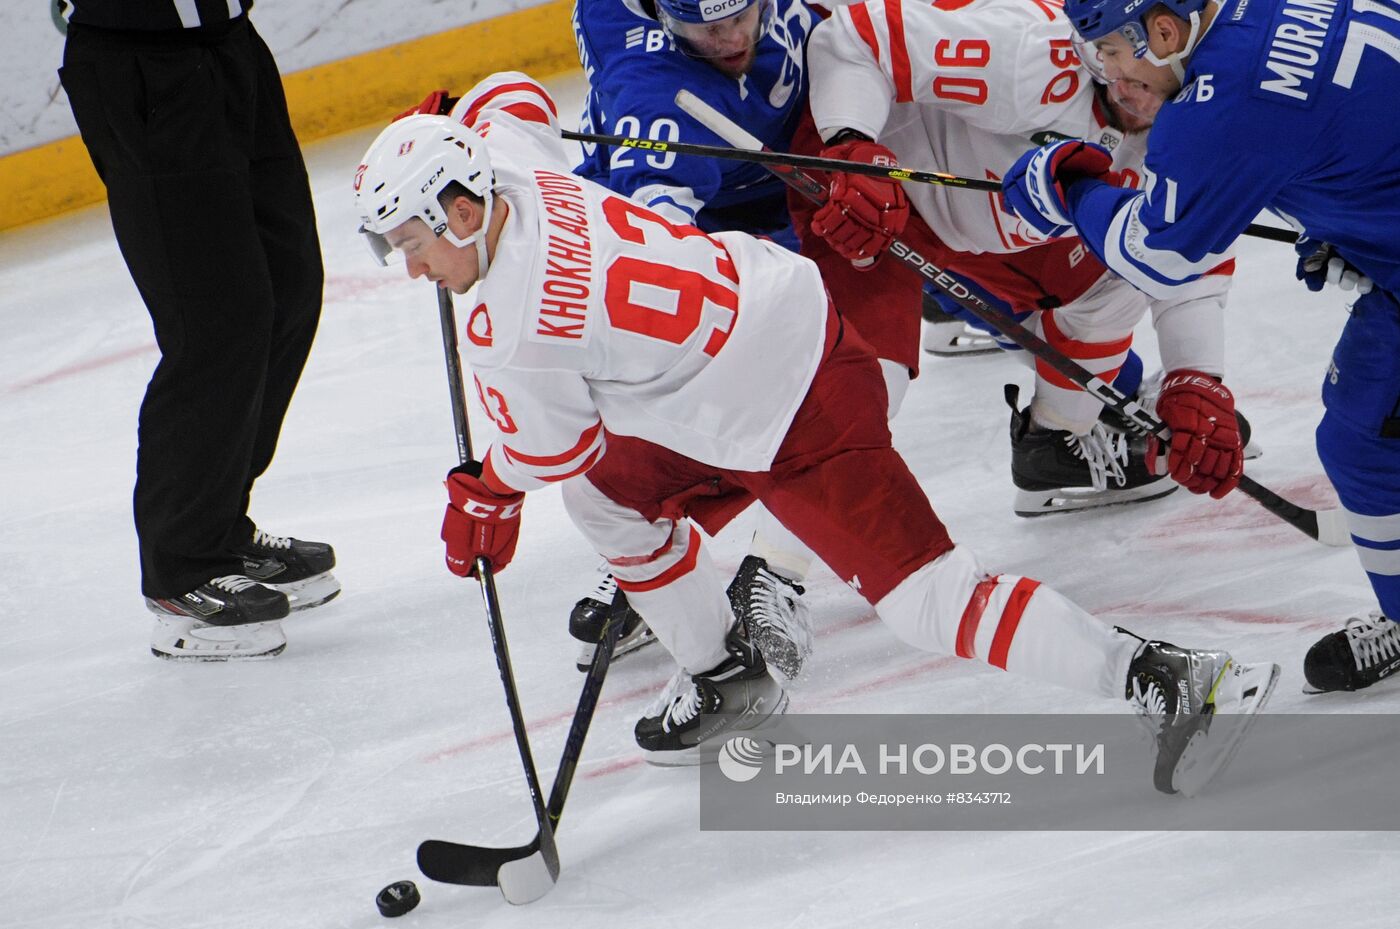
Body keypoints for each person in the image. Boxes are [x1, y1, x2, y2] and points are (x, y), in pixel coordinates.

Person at [352, 71, 1278, 794]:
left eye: (412, 239)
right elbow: (512, 97)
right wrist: (447, 118)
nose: (410, 265)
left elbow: (553, 451)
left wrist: (486, 487)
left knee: (926, 599)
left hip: (790, 414)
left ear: (464, 210)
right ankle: (728, 677)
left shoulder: (510, 327)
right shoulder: (514, 163)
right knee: (607, 502)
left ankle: (1172, 682)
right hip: (780, 325)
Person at [1001, 0, 1400, 692]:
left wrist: (1066, 187)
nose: (1113, 80)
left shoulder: (1223, 100)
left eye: (1113, 54)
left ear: (1162, 30)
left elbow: (1154, 254)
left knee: (1365, 435)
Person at [795, 0, 1244, 518]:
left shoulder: (1210, 115)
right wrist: (852, 146)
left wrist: (1197, 378)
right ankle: (776, 565)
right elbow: (855, 37)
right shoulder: (1034, 59)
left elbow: (1190, 252)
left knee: (1120, 285)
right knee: (867, 383)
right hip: (871, 191)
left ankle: (1053, 443)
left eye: (1117, 52)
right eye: (1102, 52)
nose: (1114, 78)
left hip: (997, 229)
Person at [57, 0, 340, 661]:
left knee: (289, 287)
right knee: (217, 318)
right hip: (141, 67)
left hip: (232, 46)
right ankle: (182, 568)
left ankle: (220, 525)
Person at [569, 0, 819, 676]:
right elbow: (659, 237)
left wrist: (858, 128)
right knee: (668, 380)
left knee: (848, 370)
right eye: (706, 26)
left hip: (803, 189)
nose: (732, 37)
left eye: (741, 15)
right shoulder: (648, 77)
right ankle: (654, 548)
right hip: (676, 218)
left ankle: (777, 567)